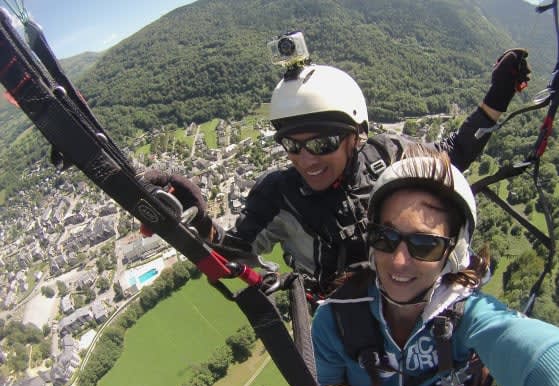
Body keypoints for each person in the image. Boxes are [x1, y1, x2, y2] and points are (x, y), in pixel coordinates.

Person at [143, 49, 531, 295]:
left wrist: (495, 101)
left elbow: (452, 156)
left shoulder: (388, 155)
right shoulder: (279, 194)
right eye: (292, 145)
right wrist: (199, 222)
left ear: (355, 137)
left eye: (323, 143)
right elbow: (233, 256)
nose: (307, 159)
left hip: (411, 300)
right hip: (338, 325)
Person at [304, 147, 559, 386]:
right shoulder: (335, 320)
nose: (399, 261)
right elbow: (328, 384)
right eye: (385, 237)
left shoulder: (467, 316)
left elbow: (538, 354)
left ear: (455, 253)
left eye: (425, 245)